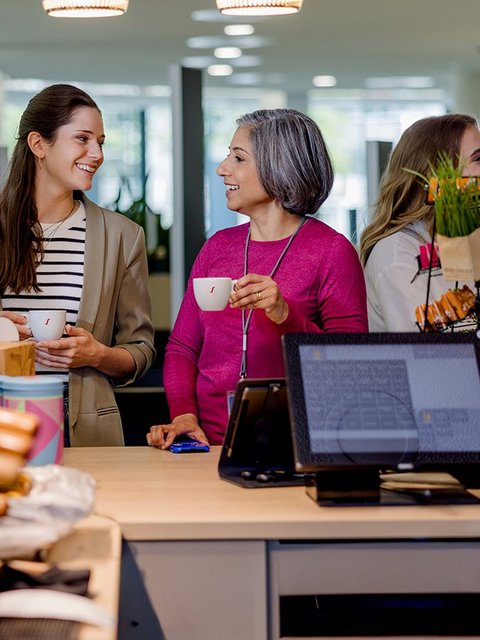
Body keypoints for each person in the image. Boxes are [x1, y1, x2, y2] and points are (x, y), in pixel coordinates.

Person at [0, 83, 155, 447]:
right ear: (38, 144)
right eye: (82, 139)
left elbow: (140, 349)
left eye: (100, 142)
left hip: (85, 429)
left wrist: (98, 355)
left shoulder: (123, 236)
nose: (97, 154)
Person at [147, 109, 368, 449]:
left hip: (294, 447)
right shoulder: (217, 247)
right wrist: (183, 416)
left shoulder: (331, 251)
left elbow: (352, 363)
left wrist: (285, 315)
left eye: (238, 158)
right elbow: (182, 348)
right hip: (208, 448)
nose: (222, 169)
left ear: (278, 166)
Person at [359, 114, 480, 332]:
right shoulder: (395, 254)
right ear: (436, 174)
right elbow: (427, 349)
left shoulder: (466, 237)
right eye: (478, 158)